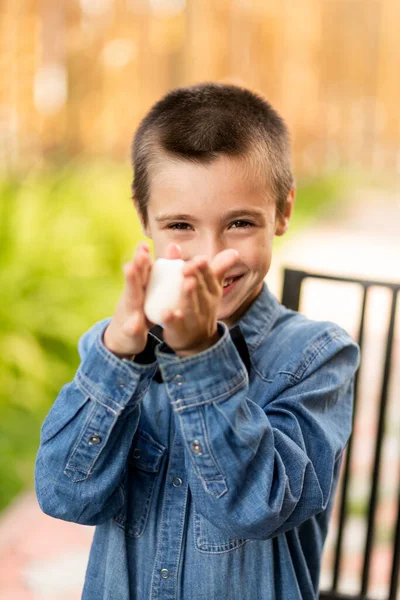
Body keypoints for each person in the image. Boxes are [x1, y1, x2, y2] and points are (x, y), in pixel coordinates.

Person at [35, 82, 360, 600]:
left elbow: (257, 507)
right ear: (145, 217)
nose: (211, 257)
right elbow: (65, 496)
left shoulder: (318, 355)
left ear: (283, 211)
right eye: (181, 225)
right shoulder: (119, 351)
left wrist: (201, 358)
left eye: (239, 223)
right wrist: (120, 350)